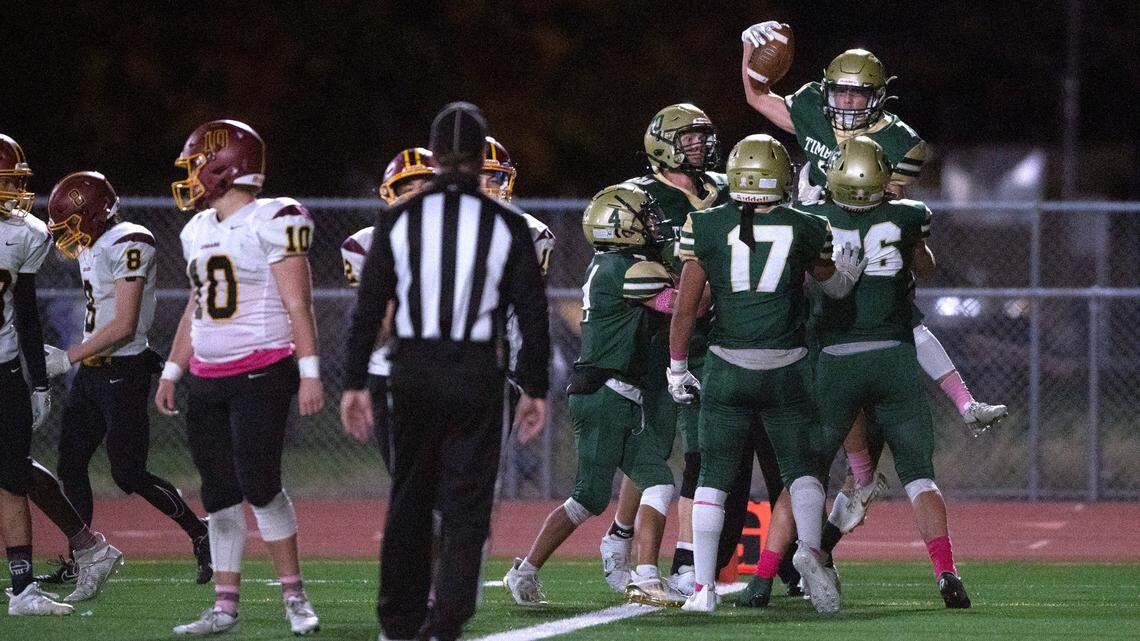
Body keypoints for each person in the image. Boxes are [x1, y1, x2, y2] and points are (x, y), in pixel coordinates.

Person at [740, 22, 1007, 541]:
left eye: (858, 92)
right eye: (839, 89)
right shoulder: (813, 108)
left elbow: (881, 199)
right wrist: (747, 53)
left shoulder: (900, 141)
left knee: (888, 339)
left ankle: (867, 473)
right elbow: (757, 94)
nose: (844, 100)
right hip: (813, 259)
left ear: (879, 97)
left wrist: (825, 204)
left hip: (862, 256)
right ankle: (857, 478)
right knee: (821, 377)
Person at [340, 101, 549, 641]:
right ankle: (448, 619)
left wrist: (355, 381)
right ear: (481, 157)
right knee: (466, 505)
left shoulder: (398, 218)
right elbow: (531, 310)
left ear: (434, 158)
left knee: (409, 497)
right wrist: (535, 387)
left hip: (413, 370)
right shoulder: (507, 223)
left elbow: (369, 309)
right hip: (478, 372)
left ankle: (399, 621)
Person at [601, 104, 800, 597]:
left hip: (722, 337)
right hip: (661, 334)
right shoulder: (640, 196)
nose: (700, 146)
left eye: (703, 137)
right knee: (655, 447)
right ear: (661, 143)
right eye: (689, 138)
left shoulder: (727, 188)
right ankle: (621, 533)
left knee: (701, 452)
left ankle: (688, 562)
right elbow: (620, 262)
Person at [669, 134, 862, 614]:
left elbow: (686, 307)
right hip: (787, 368)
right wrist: (848, 277)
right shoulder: (806, 225)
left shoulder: (705, 225)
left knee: (713, 475)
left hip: (728, 367)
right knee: (801, 472)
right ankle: (812, 555)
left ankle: (703, 589)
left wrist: (676, 366)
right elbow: (833, 287)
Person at [157, 119, 324, 635]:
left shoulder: (274, 217)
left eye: (196, 165)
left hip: (262, 369)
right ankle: (225, 608)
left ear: (225, 168)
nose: (191, 177)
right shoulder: (196, 230)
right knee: (219, 493)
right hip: (207, 377)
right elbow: (196, 307)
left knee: (261, 484)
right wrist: (173, 367)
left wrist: (310, 371)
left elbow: (299, 302)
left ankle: (294, 597)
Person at [801, 136, 971, 608]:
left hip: (835, 355)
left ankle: (799, 559)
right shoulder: (908, 215)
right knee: (919, 476)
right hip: (894, 352)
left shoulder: (814, 219)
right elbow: (925, 267)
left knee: (809, 469)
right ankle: (946, 574)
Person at [505, 184, 685, 608]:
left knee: (650, 482)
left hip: (611, 392)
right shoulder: (630, 268)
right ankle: (641, 576)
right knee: (595, 495)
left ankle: (530, 569)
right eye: (644, 217)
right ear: (620, 225)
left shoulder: (613, 264)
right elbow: (680, 304)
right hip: (605, 393)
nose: (652, 224)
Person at [43, 171, 211, 593]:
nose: (70, 235)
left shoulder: (130, 240)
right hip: (94, 371)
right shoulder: (93, 243)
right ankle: (83, 557)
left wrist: (67, 357)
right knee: (70, 463)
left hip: (125, 369)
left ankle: (200, 532)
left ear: (96, 213)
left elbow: (123, 323)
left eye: (74, 222)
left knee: (128, 473)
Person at [0, 133, 74, 616]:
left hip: (3, 369)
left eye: (13, 183)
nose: (14, 193)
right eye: (4, 183)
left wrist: (39, 380)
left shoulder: (26, 232)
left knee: (10, 479)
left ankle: (23, 589)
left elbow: (25, 311)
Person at [342, 146, 437, 469]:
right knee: (405, 479)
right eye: (406, 189)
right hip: (392, 371)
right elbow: (386, 324)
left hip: (451, 370)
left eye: (424, 188)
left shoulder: (465, 236)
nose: (415, 197)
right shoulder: (366, 244)